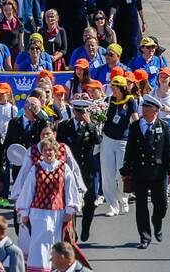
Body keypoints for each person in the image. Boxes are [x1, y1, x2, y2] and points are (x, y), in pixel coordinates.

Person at [15, 137, 80, 272]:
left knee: (54, 244)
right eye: (45, 150)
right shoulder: (36, 169)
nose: (48, 153)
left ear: (56, 151)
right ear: (41, 153)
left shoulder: (64, 168)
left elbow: (70, 189)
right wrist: (25, 213)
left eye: (50, 150)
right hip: (38, 214)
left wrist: (69, 210)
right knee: (38, 245)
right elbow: (28, 191)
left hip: (57, 214)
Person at [121, 95, 170, 249]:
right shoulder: (135, 126)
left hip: (158, 173)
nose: (143, 109)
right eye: (143, 107)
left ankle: (157, 224)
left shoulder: (163, 126)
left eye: (147, 107)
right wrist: (126, 170)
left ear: (155, 111)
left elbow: (168, 151)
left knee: (161, 205)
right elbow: (130, 149)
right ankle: (144, 237)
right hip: (140, 172)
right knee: (141, 206)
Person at [54, 100, 100, 241]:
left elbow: (98, 140)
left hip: (87, 170)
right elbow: (59, 146)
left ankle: (86, 227)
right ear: (74, 112)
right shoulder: (64, 126)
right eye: (79, 111)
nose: (81, 114)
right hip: (70, 171)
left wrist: (90, 124)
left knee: (90, 202)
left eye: (84, 111)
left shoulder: (90, 127)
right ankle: (71, 232)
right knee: (70, 202)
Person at [99, 75, 137, 217]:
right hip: (108, 139)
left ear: (122, 88)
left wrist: (139, 132)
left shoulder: (130, 101)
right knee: (108, 174)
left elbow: (134, 118)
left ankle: (123, 199)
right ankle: (112, 206)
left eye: (115, 87)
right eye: (112, 87)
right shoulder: (108, 100)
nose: (113, 89)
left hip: (123, 141)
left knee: (121, 174)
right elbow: (101, 115)